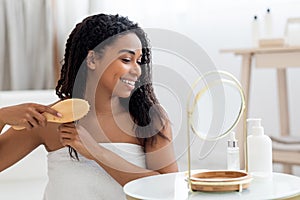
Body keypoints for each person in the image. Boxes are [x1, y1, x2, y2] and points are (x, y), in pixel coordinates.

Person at [0, 13, 178, 199]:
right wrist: (2, 116)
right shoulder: (50, 119)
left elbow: (168, 191)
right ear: (92, 60)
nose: (137, 70)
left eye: (139, 61)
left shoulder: (148, 119)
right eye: (126, 60)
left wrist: (97, 152)